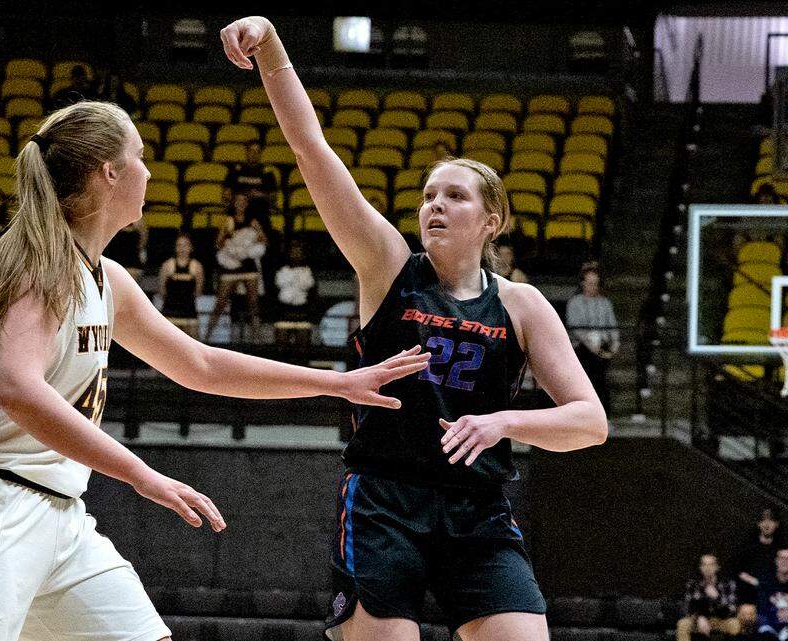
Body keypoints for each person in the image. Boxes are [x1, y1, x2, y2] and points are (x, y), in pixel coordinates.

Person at [0, 101, 430, 641]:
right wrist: (141, 474)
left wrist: (337, 383)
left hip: (60, 514)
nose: (149, 171)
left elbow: (199, 364)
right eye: (140, 157)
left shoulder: (106, 279)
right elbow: (18, 388)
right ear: (109, 173)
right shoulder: (36, 258)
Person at [221, 17, 608, 641]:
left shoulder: (524, 304)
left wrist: (505, 422)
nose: (434, 205)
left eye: (455, 196)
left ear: (492, 220)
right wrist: (271, 46)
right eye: (429, 195)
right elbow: (310, 149)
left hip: (477, 510)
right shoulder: (386, 265)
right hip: (385, 501)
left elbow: (590, 423)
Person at [204, 192, 266, 342]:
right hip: (231, 264)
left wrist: (254, 237)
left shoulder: (253, 221)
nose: (240, 203)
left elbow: (264, 240)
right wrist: (227, 235)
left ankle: (257, 339)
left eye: (243, 201)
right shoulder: (227, 221)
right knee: (221, 302)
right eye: (237, 200)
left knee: (253, 304)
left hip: (248, 265)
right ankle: (206, 337)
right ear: (233, 204)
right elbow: (218, 244)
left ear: (247, 204)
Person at [565, 264, 618, 412]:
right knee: (591, 376)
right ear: (583, 283)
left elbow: (612, 326)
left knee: (601, 380)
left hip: (602, 346)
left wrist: (614, 346)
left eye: (595, 283)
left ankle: (604, 414)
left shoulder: (605, 302)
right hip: (582, 347)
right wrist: (592, 346)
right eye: (590, 283)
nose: (593, 287)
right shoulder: (575, 302)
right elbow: (577, 329)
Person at [734, 508, 785, 629]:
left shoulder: (782, 548)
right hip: (749, 595)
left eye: (771, 520)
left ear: (777, 524)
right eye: (763, 520)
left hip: (772, 596)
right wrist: (754, 581)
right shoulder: (748, 546)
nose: (767, 524)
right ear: (759, 524)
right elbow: (737, 570)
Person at [676, 553, 741, 641]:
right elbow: (688, 608)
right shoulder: (693, 584)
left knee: (734, 623)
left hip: (721, 619)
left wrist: (717, 597)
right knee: (683, 624)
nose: (707, 568)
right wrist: (699, 617)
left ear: (717, 567)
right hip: (698, 620)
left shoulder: (727, 584)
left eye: (711, 564)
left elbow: (732, 610)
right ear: (700, 568)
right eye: (704, 565)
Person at [159, 232, 203, 338]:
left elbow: (198, 291)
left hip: (189, 313)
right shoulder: (167, 265)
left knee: (194, 346)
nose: (182, 248)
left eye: (186, 245)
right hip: (170, 312)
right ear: (175, 248)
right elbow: (161, 290)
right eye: (179, 245)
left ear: (191, 247)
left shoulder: (197, 267)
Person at [274, 241, 316, 345]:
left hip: (302, 310)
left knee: (303, 343)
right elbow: (279, 285)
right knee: (281, 343)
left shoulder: (308, 271)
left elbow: (308, 286)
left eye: (298, 252)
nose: (295, 255)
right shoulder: (281, 271)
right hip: (284, 310)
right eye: (293, 252)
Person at [223, 141, 279, 213]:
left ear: (260, 154)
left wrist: (261, 195)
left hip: (259, 208)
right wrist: (244, 195)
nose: (254, 154)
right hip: (238, 208)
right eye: (251, 151)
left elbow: (273, 196)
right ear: (247, 152)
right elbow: (227, 193)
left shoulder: (267, 173)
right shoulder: (235, 171)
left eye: (257, 151)